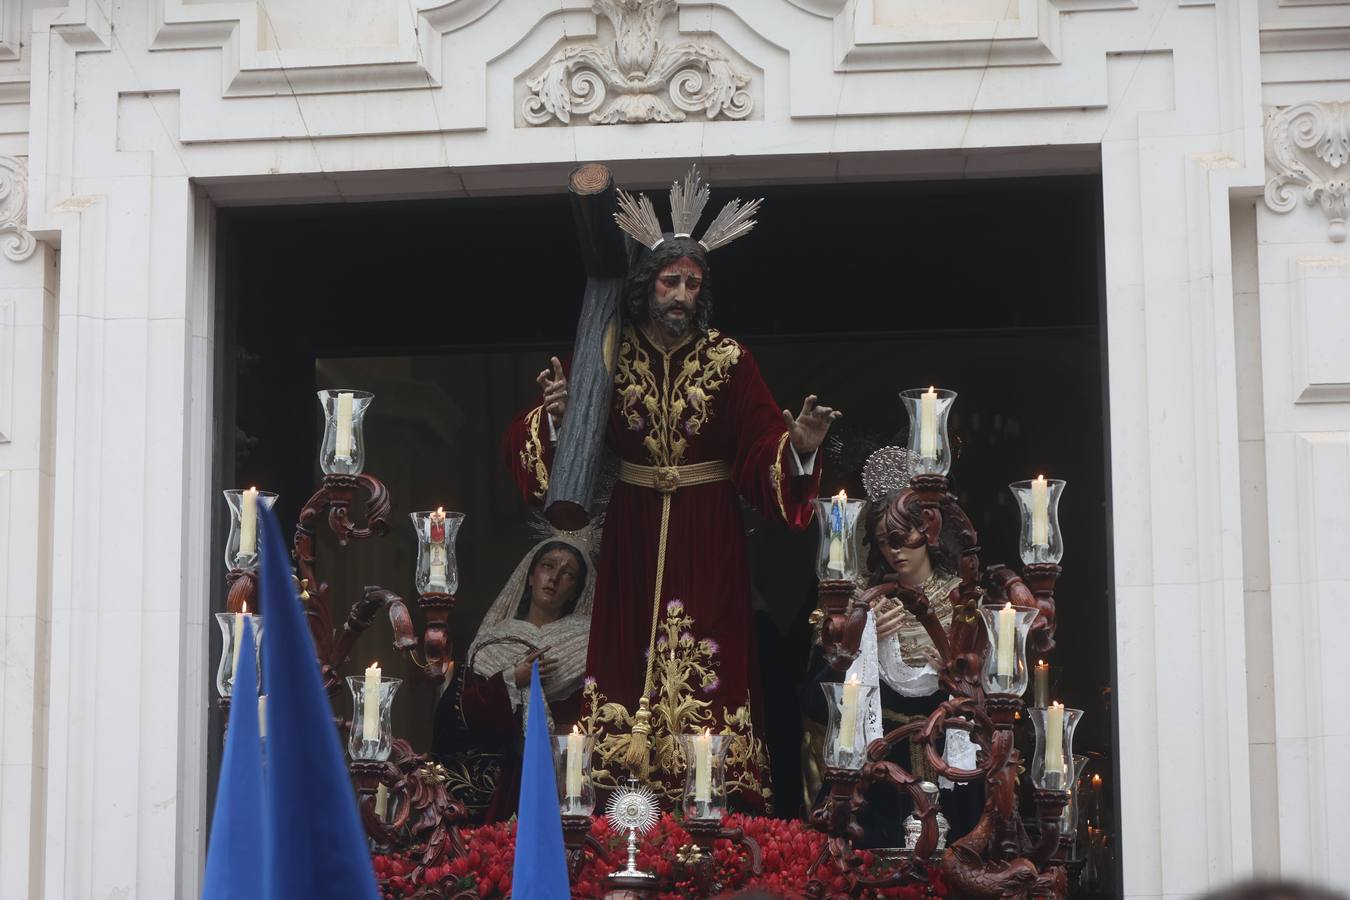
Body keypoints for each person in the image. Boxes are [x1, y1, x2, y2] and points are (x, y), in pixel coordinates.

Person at [503, 169, 839, 805]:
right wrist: (555, 415)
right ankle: (614, 799)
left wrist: (797, 448)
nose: (681, 294)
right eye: (669, 280)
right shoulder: (608, 352)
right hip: (631, 529)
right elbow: (557, 447)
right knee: (625, 658)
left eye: (692, 283)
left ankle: (709, 802)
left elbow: (759, 448)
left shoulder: (730, 361)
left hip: (706, 530)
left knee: (708, 662)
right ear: (645, 286)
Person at [432, 533, 594, 822]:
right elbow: (454, 717)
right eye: (548, 566)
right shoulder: (492, 641)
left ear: (575, 591)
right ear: (531, 576)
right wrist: (511, 679)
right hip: (503, 781)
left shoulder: (587, 643)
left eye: (567, 573)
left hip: (564, 776)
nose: (554, 578)